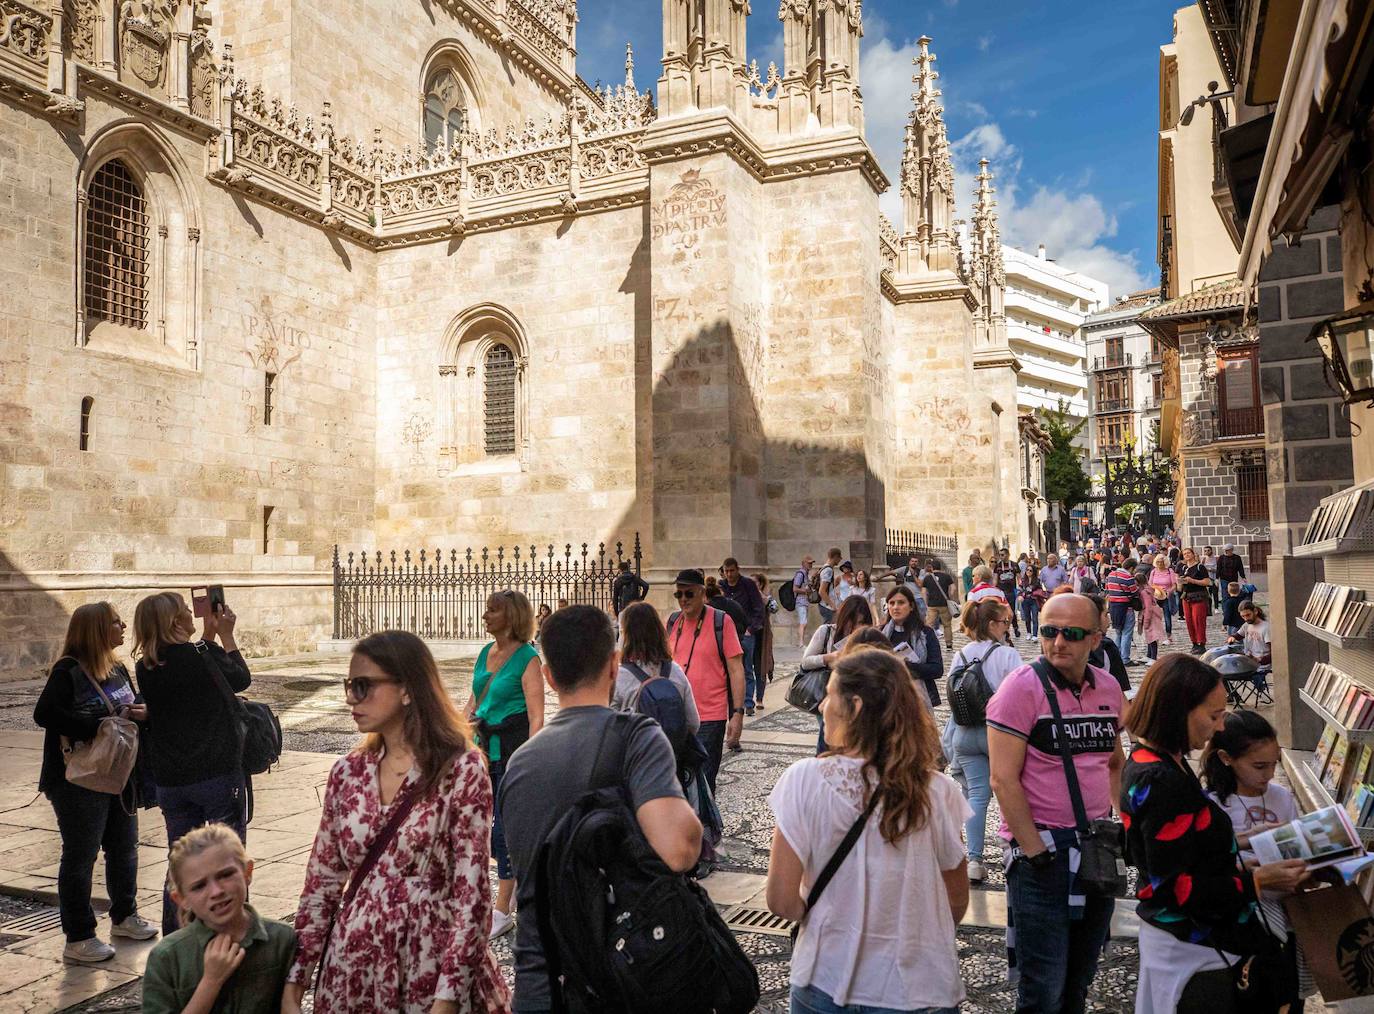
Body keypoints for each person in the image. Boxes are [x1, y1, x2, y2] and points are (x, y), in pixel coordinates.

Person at [284, 631, 508, 1014]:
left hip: (428, 964)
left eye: (363, 686)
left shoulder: (460, 768)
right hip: (354, 973)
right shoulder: (347, 774)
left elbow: (472, 894)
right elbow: (321, 884)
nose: (352, 698)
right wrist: (295, 981)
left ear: (407, 689)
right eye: (349, 686)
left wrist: (448, 997)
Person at [499, 605, 702, 1013]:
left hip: (538, 982)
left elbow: (525, 874)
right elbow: (680, 849)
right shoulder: (637, 736)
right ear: (613, 665)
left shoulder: (519, 763)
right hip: (621, 973)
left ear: (548, 676)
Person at [766, 648, 970, 1014]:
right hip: (916, 988)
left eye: (829, 694)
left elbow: (781, 900)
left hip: (825, 979)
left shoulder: (804, 781)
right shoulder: (939, 792)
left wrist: (824, 917)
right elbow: (955, 899)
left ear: (855, 707)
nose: (822, 704)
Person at [1122, 656, 1306, 1013]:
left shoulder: (1158, 760)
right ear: (1179, 710)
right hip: (1192, 949)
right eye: (1213, 715)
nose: (1220, 727)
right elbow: (1177, 886)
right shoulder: (1162, 780)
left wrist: (1238, 841)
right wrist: (1258, 880)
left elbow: (1169, 845)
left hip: (1189, 944)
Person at [987, 593, 1126, 1013]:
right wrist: (1034, 851)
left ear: (1095, 640)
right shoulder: (1020, 689)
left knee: (1081, 973)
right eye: (1049, 631)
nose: (1058, 642)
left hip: (1095, 850)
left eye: (1072, 633)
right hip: (1043, 853)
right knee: (1043, 983)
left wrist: (1121, 823)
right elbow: (1002, 778)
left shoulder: (1108, 688)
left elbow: (1115, 762)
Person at [34, 602, 157, 962]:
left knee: (124, 847)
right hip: (78, 779)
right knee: (81, 855)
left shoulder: (118, 667)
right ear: (96, 630)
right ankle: (79, 936)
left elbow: (134, 701)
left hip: (118, 774)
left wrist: (140, 711)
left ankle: (124, 915)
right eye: (115, 622)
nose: (122, 626)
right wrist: (98, 726)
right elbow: (45, 714)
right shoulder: (68, 671)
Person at [133, 591, 252, 937]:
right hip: (215, 773)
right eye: (186, 610)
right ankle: (231, 934)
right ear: (175, 621)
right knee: (226, 859)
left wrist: (208, 638)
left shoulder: (146, 666)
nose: (190, 612)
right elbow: (239, 678)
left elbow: (191, 680)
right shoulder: (199, 657)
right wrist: (226, 635)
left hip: (172, 780)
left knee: (181, 863)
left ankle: (177, 939)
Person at [1201, 711, 1307, 1007]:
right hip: (1241, 926)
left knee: (1286, 998)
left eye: (1274, 764)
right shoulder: (1212, 807)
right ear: (1226, 758)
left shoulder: (1281, 797)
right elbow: (1208, 870)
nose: (1269, 775)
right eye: (1259, 766)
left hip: (1286, 921)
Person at [143, 823, 296, 1014]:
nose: (216, 891)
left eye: (225, 875)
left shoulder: (282, 939)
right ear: (181, 899)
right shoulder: (167, 958)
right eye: (199, 886)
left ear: (247, 872)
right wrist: (211, 982)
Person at [467, 589, 544, 940]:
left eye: (493, 610)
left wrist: (530, 762)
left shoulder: (528, 658)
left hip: (511, 753)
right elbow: (473, 702)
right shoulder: (486, 653)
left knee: (504, 830)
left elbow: (537, 716)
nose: (485, 615)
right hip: (482, 752)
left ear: (511, 616)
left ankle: (502, 909)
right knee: (478, 829)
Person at [945, 600, 1022, 883]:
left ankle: (974, 861)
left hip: (965, 734)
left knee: (977, 795)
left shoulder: (962, 654)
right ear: (992, 625)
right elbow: (1020, 696)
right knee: (1009, 792)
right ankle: (1011, 850)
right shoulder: (1008, 655)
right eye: (1005, 622)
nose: (1007, 627)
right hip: (999, 733)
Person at [668, 569, 745, 790]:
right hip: (677, 717)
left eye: (689, 594)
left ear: (702, 593)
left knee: (702, 783)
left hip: (709, 718)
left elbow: (736, 670)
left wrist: (737, 714)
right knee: (677, 784)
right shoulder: (673, 622)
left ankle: (706, 825)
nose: (683, 599)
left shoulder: (722, 621)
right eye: (679, 594)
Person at [801, 596, 875, 756]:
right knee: (828, 736)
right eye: (852, 621)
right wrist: (829, 658)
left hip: (858, 696)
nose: (856, 627)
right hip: (827, 694)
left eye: (861, 622)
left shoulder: (867, 637)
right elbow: (805, 662)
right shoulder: (826, 631)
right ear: (844, 617)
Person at [613, 601, 700, 737]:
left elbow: (611, 728)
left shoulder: (620, 677)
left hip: (636, 755)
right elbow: (693, 722)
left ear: (627, 635)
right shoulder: (675, 671)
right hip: (671, 755)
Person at [882, 586, 943, 709]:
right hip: (888, 699)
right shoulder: (881, 634)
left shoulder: (926, 633)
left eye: (901, 603)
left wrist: (906, 666)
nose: (895, 607)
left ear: (911, 606)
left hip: (919, 698)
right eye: (891, 603)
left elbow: (937, 669)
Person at [720, 558, 766, 715]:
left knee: (746, 668)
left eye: (732, 571)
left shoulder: (748, 585)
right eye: (726, 571)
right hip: (725, 632)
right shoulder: (722, 586)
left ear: (737, 569)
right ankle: (731, 701)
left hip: (744, 633)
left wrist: (751, 629)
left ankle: (748, 703)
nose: (729, 574)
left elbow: (758, 608)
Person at [1105, 554, 1140, 664]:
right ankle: (1125, 658)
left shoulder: (1111, 575)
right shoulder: (1128, 578)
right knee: (1127, 633)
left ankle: (1116, 657)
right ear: (1131, 568)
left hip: (1114, 607)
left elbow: (1108, 590)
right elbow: (1134, 593)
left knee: (1118, 632)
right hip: (1126, 608)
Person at [1179, 548, 1212, 654]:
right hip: (1186, 597)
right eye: (1184, 554)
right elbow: (1179, 588)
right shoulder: (1183, 568)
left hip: (1198, 597)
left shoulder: (1200, 567)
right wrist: (1179, 582)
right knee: (1189, 621)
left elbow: (1208, 582)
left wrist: (1192, 580)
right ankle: (1194, 643)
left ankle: (1201, 643)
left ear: (1193, 554)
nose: (1187, 555)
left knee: (1198, 620)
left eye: (1188, 553)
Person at [754, 573, 778, 705]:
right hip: (748, 636)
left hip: (762, 636)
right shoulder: (747, 598)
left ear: (761, 584)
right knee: (746, 670)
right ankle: (747, 701)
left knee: (761, 668)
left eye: (755, 583)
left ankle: (759, 698)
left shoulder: (766, 598)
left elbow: (775, 608)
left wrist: (762, 597)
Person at [923, 559, 957, 649]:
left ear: (932, 567)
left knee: (929, 625)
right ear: (940, 566)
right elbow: (953, 588)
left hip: (932, 605)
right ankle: (949, 644)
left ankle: (928, 643)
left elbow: (924, 592)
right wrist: (950, 597)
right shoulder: (946, 576)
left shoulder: (927, 578)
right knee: (947, 625)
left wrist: (926, 603)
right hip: (944, 604)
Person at [1146, 553, 1179, 644]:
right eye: (1158, 562)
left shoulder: (1169, 571)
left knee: (1167, 615)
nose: (1160, 564)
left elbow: (1174, 585)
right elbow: (1150, 583)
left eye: (1161, 562)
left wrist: (1169, 592)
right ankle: (1157, 635)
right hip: (1156, 596)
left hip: (1166, 596)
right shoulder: (1153, 572)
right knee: (1155, 616)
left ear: (1165, 562)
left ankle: (1168, 635)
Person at [993, 548, 1023, 638]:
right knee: (1002, 611)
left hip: (1011, 591)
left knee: (1011, 611)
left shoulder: (1014, 565)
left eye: (1002, 555)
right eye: (1000, 555)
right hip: (1001, 592)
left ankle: (1015, 627)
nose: (1001, 557)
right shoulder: (998, 566)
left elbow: (1019, 578)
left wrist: (1020, 588)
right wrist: (994, 589)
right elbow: (995, 578)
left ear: (1008, 554)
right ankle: (1005, 630)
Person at [1216, 544, 1246, 616]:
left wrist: (1243, 577)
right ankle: (1225, 611)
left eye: (1227, 550)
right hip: (1224, 579)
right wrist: (1217, 578)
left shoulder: (1237, 558)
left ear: (1231, 550)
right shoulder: (1221, 558)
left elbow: (1240, 568)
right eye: (1225, 550)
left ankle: (1234, 609)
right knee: (1225, 595)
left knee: (1235, 594)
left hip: (1233, 579)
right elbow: (1218, 568)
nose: (1226, 552)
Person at [794, 555, 816, 647]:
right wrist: (806, 591)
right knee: (803, 622)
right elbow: (795, 588)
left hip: (805, 601)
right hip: (801, 601)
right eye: (809, 563)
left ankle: (801, 641)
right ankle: (801, 642)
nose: (810, 565)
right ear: (803, 563)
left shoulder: (806, 574)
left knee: (803, 621)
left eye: (811, 563)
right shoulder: (801, 574)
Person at [1019, 559, 1043, 638]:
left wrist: (1027, 593)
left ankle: (1035, 635)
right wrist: (1020, 595)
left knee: (1035, 618)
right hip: (1025, 601)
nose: (1028, 571)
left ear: (1034, 572)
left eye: (1030, 570)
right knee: (1027, 618)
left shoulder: (1037, 580)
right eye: (1027, 570)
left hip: (1034, 600)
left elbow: (1038, 589)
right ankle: (1028, 633)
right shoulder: (1022, 580)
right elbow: (1020, 590)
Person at [818, 547, 843, 623]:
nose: (840, 559)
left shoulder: (824, 568)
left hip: (825, 605)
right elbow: (822, 591)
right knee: (828, 629)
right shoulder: (828, 570)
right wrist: (833, 606)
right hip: (827, 606)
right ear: (835, 557)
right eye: (839, 557)